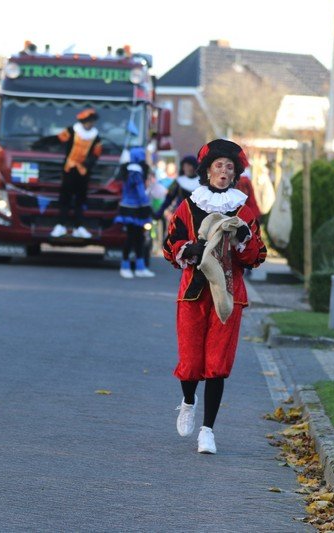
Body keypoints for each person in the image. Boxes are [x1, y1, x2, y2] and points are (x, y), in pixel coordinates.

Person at [163, 139, 267, 454]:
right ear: (208, 171)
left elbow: (257, 256)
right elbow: (169, 246)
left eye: (229, 167)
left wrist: (244, 240)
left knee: (217, 363)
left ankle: (207, 430)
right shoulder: (188, 206)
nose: (223, 171)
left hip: (228, 295)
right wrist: (188, 249)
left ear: (235, 175)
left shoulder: (243, 211)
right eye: (218, 165)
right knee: (191, 361)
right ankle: (188, 401)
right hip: (193, 292)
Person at [33, 108, 103, 239]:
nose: (91, 124)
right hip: (69, 169)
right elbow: (58, 139)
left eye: (92, 122)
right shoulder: (72, 131)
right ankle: (60, 225)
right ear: (84, 122)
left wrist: (88, 163)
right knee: (65, 198)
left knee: (80, 200)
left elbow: (96, 154)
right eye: (89, 122)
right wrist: (40, 143)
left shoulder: (96, 137)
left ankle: (79, 227)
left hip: (83, 172)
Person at [114, 147, 155, 278]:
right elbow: (140, 191)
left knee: (137, 238)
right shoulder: (135, 171)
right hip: (135, 209)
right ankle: (126, 266)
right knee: (133, 238)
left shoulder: (130, 169)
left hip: (131, 208)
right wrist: (147, 205)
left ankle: (139, 267)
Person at [153, 155, 200, 220]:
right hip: (182, 215)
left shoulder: (202, 182)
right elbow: (168, 199)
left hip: (198, 215)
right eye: (185, 166)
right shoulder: (178, 181)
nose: (187, 168)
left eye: (189, 166)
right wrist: (160, 212)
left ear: (194, 167)